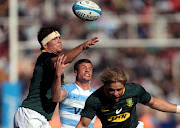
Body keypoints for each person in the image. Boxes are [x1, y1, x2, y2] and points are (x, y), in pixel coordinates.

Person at [14, 26, 99, 128]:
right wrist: (82, 47)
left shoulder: (53, 64)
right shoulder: (44, 58)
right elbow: (61, 60)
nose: (59, 41)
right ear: (45, 44)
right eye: (54, 39)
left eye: (59, 37)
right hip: (31, 114)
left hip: (42, 118)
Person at [76, 67, 180, 128]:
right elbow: (83, 125)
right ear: (105, 85)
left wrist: (178, 109)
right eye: (111, 90)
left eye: (119, 90)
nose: (115, 94)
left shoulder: (134, 90)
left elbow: (154, 102)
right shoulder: (94, 99)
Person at [57, 59, 100, 128]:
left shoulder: (97, 95)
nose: (87, 70)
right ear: (75, 73)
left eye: (90, 68)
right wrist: (58, 76)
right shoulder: (68, 89)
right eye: (84, 68)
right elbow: (56, 97)